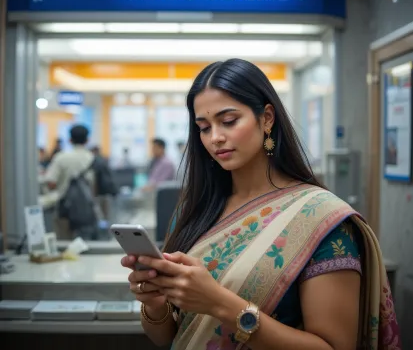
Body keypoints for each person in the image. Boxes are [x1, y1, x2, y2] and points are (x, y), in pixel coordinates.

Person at [121, 59, 401, 350]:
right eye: (204, 127)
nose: (215, 137)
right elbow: (172, 338)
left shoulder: (320, 218)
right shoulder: (194, 210)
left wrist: (219, 303)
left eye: (229, 121)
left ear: (267, 118)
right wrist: (155, 305)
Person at [45, 125, 97, 240]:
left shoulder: (61, 158)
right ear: (87, 140)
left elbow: (51, 183)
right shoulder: (93, 158)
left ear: (70, 140)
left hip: (64, 209)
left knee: (64, 245)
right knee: (86, 244)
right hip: (87, 210)